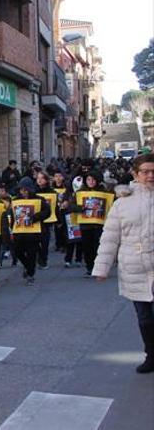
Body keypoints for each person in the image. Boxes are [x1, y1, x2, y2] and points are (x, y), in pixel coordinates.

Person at [92, 153, 154, 374]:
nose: (150, 175)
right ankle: (151, 354)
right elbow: (110, 236)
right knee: (145, 319)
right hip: (135, 267)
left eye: (153, 171)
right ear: (135, 174)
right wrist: (101, 268)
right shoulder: (123, 202)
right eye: (145, 171)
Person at [64, 170, 111, 277]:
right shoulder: (80, 193)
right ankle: (89, 267)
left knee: (98, 247)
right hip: (85, 225)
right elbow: (71, 206)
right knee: (87, 247)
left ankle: (99, 267)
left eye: (93, 179)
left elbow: (110, 205)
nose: (91, 182)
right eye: (89, 179)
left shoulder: (104, 192)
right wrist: (81, 208)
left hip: (100, 224)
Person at [12, 177, 51, 285]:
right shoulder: (15, 200)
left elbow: (47, 211)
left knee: (31, 253)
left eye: (26, 190)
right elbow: (11, 214)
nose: (23, 192)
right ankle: (27, 266)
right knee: (17, 251)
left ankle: (30, 274)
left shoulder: (39, 200)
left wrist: (35, 217)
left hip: (34, 232)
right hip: (19, 231)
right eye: (21, 190)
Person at [34, 171, 56, 270]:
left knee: (45, 242)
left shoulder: (51, 192)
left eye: (42, 178)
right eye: (38, 178)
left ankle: (43, 260)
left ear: (46, 180)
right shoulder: (33, 191)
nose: (39, 180)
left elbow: (55, 207)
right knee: (35, 241)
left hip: (47, 221)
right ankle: (38, 258)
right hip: (36, 219)